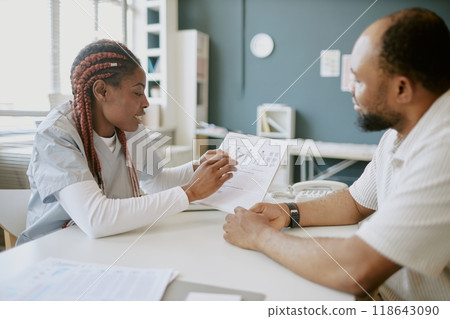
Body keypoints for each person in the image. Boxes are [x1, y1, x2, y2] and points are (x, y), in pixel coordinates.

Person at [223, 7, 450, 301]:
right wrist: (288, 211)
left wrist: (259, 236)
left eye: (358, 80)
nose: (351, 90)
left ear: (402, 88)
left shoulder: (443, 148)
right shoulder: (401, 131)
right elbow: (357, 203)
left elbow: (358, 268)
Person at [17, 39, 236, 245]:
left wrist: (198, 167)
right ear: (102, 91)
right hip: (55, 251)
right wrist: (191, 192)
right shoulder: (56, 135)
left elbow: (156, 182)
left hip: (107, 246)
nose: (146, 102)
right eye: (137, 92)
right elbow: (96, 219)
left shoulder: (129, 129)